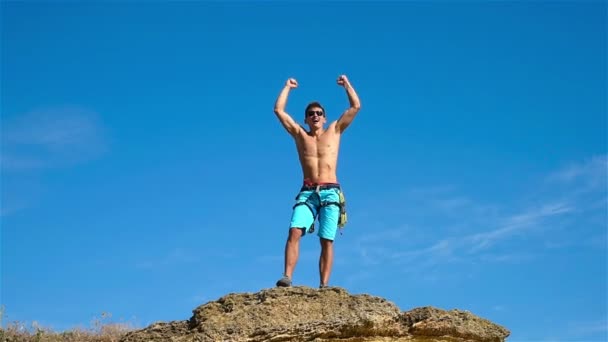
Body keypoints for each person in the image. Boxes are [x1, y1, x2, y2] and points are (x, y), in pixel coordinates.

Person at [273, 75, 361, 288]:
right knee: (294, 230)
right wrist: (287, 87)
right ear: (306, 119)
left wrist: (347, 85)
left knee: (326, 239)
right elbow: (279, 111)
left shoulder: (335, 130)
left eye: (319, 114)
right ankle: (287, 277)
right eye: (311, 114)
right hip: (308, 191)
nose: (315, 116)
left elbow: (355, 106)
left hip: (331, 191)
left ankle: (323, 285)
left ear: (324, 117)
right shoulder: (300, 134)